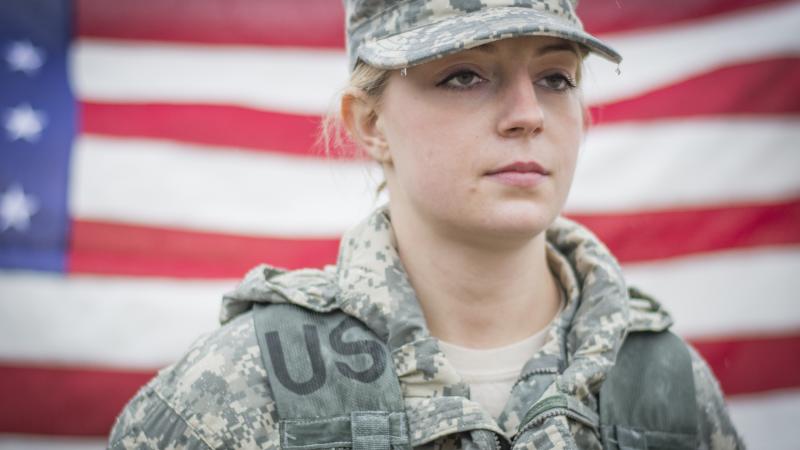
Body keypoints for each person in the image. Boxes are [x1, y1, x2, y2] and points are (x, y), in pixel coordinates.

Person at [109, 1, 744, 449]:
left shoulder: (665, 385)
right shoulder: (245, 382)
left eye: (556, 78)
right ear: (370, 124)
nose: (528, 114)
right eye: (464, 75)